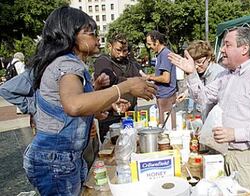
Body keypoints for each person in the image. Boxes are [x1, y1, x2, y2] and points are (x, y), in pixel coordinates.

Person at [22, 6, 156, 195]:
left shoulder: (66, 62)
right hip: (56, 160)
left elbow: (67, 105)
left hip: (61, 158)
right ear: (69, 35)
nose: (96, 37)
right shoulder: (67, 64)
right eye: (89, 32)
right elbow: (74, 105)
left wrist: (100, 106)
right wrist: (124, 88)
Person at [168, 27, 250, 195]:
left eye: (227, 45)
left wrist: (235, 134)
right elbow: (203, 97)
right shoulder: (227, 75)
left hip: (247, 158)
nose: (221, 49)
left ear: (244, 49)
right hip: (225, 152)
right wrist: (192, 73)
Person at [93, 33, 142, 142]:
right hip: (109, 116)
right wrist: (130, 83)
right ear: (110, 47)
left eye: (125, 51)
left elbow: (139, 78)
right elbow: (109, 79)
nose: (121, 54)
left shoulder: (130, 62)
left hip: (129, 113)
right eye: (118, 50)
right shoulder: (103, 61)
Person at [176, 40, 225, 119]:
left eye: (199, 62)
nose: (196, 67)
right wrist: (186, 93)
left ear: (208, 58)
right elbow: (199, 88)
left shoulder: (218, 74)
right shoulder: (203, 72)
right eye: (193, 63)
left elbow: (205, 97)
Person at [146, 30, 177, 129]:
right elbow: (159, 74)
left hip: (166, 97)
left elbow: (166, 78)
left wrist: (150, 77)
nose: (148, 47)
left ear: (157, 41)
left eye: (150, 44)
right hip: (162, 96)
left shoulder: (164, 54)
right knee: (162, 125)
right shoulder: (161, 54)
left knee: (166, 128)